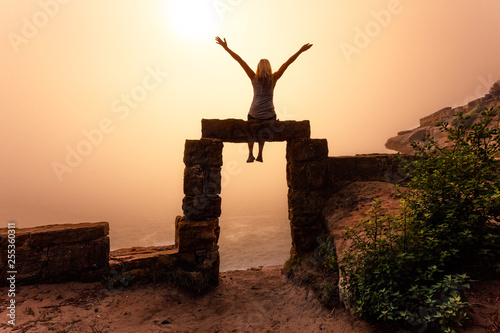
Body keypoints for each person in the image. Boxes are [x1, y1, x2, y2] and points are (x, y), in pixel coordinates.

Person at [215, 36, 313, 162]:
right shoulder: (274, 77)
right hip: (269, 115)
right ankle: (260, 153)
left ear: (258, 67)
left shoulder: (253, 77)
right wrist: (300, 50)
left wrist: (226, 48)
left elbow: (240, 60)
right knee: (263, 129)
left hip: (254, 113)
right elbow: (287, 63)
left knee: (251, 130)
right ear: (269, 67)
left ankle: (250, 154)